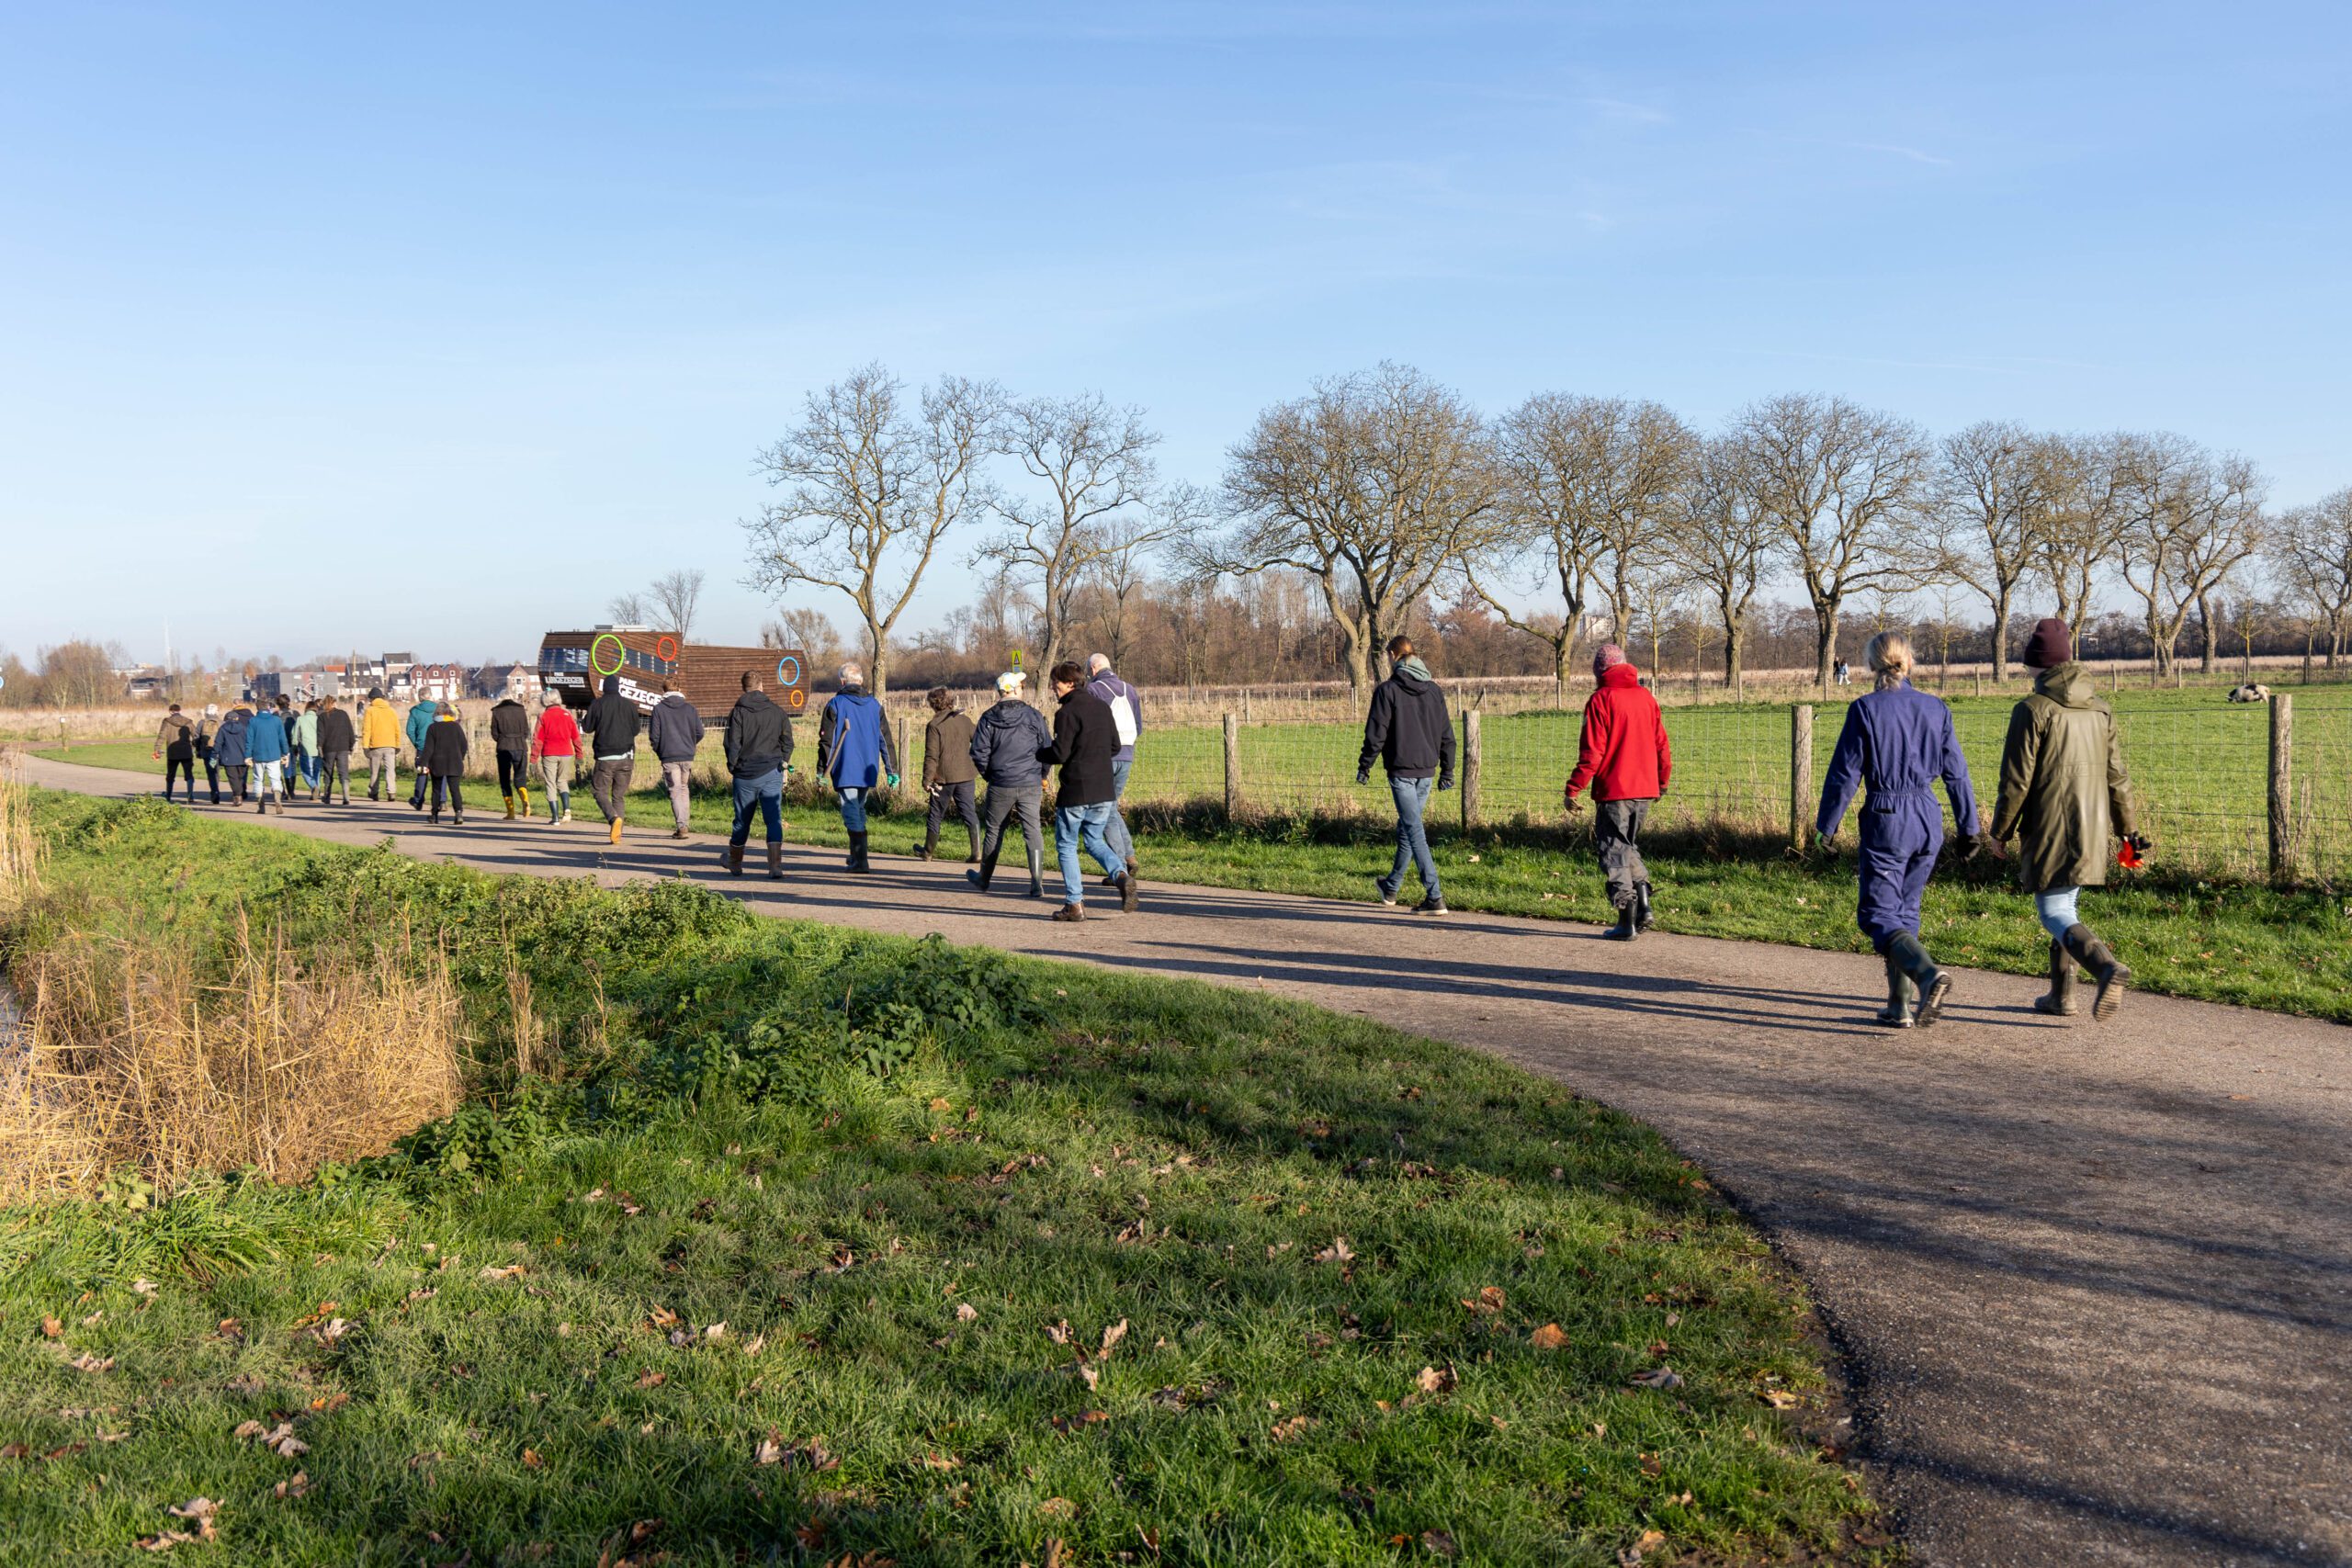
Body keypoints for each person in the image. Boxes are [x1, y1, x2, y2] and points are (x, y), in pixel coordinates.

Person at [1815, 633, 1980, 1028]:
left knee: (1876, 915)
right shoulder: (1936, 708)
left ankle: (1927, 976)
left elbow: (1845, 774)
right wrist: (1969, 828)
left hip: (1889, 816)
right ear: (1908, 662)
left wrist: (1827, 827)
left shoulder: (1865, 709)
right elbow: (1957, 773)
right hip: (1927, 816)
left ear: (1872, 665)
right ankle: (1898, 1005)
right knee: (1905, 913)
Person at [1988, 616, 2147, 1022]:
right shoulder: (2101, 710)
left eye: (2027, 664)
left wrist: (2000, 832)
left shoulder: (2032, 710)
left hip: (2050, 826)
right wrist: (2128, 832)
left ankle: (2106, 967)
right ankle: (2061, 997)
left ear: (2038, 665)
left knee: (2054, 912)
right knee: (2067, 909)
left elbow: (2016, 780)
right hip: (2092, 828)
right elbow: (2118, 777)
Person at [1562, 643, 1673, 940]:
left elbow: (1592, 752)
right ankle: (1645, 906)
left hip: (1615, 788)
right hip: (1645, 787)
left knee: (1613, 850)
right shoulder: (1646, 697)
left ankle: (1626, 920)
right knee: (1628, 847)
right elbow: (1662, 744)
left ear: (1599, 671)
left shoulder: (1601, 699)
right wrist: (1662, 780)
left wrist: (1574, 787)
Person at [1356, 635, 1454, 916]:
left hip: (1401, 772)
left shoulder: (1387, 691)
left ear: (1393, 655)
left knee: (1414, 831)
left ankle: (1434, 895)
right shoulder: (1434, 690)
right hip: (1426, 771)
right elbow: (1447, 735)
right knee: (1407, 830)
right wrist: (1447, 770)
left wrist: (1365, 765)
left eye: (1387, 657)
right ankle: (1391, 887)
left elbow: (1376, 733)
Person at [1041, 660, 1136, 921]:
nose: (1052, 687)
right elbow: (1115, 746)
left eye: (1055, 683)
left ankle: (1074, 904)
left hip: (1076, 790)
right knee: (1094, 840)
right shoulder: (1102, 708)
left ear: (1069, 683)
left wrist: (1039, 753)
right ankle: (1120, 875)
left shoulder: (1066, 713)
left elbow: (1060, 753)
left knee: (1066, 845)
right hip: (1103, 788)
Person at [967, 670, 1052, 897]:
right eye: (1021, 686)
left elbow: (978, 752)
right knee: (1032, 829)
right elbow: (1046, 747)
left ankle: (984, 879)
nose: (1023, 689)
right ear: (1014, 689)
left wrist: (990, 775)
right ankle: (1036, 883)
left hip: (1000, 782)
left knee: (994, 830)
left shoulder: (987, 718)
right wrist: (1042, 774)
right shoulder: (1034, 716)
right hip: (1030, 781)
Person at [816, 662, 898, 873]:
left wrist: (821, 771)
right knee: (858, 809)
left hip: (845, 768)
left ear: (843, 682)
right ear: (861, 681)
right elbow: (885, 740)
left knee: (851, 811)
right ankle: (856, 857)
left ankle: (861, 861)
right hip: (867, 769)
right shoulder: (875, 705)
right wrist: (892, 771)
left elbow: (827, 742)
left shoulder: (836, 704)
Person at [722, 670, 791, 880]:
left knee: (742, 820)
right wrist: (784, 761)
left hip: (745, 774)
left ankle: (735, 862)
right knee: (773, 819)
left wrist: (733, 766)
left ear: (744, 688)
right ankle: (775, 866)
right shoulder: (777, 711)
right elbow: (788, 741)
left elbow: (732, 744)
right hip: (772, 771)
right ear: (761, 686)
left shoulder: (738, 712)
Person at [1084, 653, 1143, 874]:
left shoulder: (1094, 690)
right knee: (1111, 805)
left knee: (1104, 808)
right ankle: (1129, 856)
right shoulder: (1131, 690)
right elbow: (1139, 727)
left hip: (1104, 756)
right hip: (1127, 754)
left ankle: (1118, 868)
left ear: (1093, 669)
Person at [918, 687, 981, 863]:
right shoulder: (964, 720)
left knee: (936, 814)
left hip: (943, 779)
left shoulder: (934, 726)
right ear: (950, 702)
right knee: (969, 813)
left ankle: (928, 852)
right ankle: (977, 853)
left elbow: (931, 755)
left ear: (933, 704)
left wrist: (927, 780)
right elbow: (979, 742)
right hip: (966, 775)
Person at [582, 674, 641, 844]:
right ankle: (618, 834)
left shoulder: (597, 704)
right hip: (627, 756)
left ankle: (613, 818)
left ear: (603, 688)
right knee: (618, 796)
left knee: (598, 791)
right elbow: (636, 730)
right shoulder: (629, 705)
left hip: (605, 757)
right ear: (618, 688)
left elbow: (586, 727)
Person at [647, 681, 706, 840]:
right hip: (687, 755)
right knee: (684, 788)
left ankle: (681, 826)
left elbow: (654, 736)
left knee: (675, 790)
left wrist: (660, 750)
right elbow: (700, 732)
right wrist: (690, 744)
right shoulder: (690, 708)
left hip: (669, 755)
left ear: (663, 690)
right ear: (679, 689)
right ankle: (684, 824)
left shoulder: (659, 709)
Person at [531, 692, 582, 825]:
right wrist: (579, 755)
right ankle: (567, 809)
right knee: (562, 781)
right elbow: (576, 737)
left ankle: (555, 817)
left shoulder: (543, 716)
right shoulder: (568, 715)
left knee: (550, 783)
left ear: (545, 701)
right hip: (566, 753)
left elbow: (538, 739)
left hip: (550, 753)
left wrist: (533, 759)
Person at [420, 700, 469, 824]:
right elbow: (464, 745)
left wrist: (424, 763)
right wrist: (460, 757)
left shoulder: (432, 728)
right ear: (449, 713)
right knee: (455, 789)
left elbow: (428, 748)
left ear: (437, 713)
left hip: (437, 763)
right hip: (455, 762)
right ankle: (458, 813)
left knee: (436, 789)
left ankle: (434, 815)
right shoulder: (456, 726)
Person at [488, 692, 534, 820]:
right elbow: (526, 730)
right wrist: (521, 739)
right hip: (520, 746)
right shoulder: (521, 709)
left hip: (504, 747)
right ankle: (525, 799)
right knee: (520, 778)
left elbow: (494, 732)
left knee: (505, 780)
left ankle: (511, 812)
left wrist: (501, 739)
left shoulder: (497, 711)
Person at [245, 695, 290, 814]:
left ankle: (261, 804)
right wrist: (286, 753)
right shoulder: (276, 720)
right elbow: (282, 739)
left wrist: (247, 755)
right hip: (274, 755)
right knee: (275, 778)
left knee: (258, 779)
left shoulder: (253, 721)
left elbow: (249, 740)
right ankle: (277, 797)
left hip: (258, 755)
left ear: (257, 707)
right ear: (268, 707)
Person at [360, 687, 402, 801]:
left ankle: (374, 792)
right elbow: (397, 729)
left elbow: (367, 730)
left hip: (376, 745)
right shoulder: (391, 711)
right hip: (390, 744)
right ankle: (391, 792)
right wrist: (397, 744)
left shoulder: (370, 711)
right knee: (390, 770)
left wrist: (365, 746)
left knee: (375, 771)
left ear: (372, 699)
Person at [153, 703, 197, 804]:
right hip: (186, 752)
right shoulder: (188, 722)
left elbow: (161, 736)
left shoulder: (167, 722)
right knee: (189, 774)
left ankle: (168, 795)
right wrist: (193, 748)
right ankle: (190, 795)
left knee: (171, 775)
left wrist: (157, 749)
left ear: (171, 711)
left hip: (173, 753)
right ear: (179, 710)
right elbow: (196, 737)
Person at [315, 694, 356, 806]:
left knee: (328, 773)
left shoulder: (322, 717)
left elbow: (320, 734)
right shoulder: (343, 714)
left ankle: (327, 796)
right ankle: (346, 796)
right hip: (343, 748)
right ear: (334, 703)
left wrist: (319, 747)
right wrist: (351, 745)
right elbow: (350, 731)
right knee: (343, 773)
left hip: (328, 748)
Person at [404, 693, 439, 809]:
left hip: (422, 747)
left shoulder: (415, 711)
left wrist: (417, 743)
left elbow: (410, 730)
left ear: (420, 697)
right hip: (437, 745)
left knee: (422, 773)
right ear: (431, 696)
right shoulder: (438, 709)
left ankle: (418, 800)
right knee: (439, 774)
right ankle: (442, 800)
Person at [212, 705, 252, 804]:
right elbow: (249, 742)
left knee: (233, 778)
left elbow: (218, 743)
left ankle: (237, 795)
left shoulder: (222, 729)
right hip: (243, 757)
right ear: (237, 718)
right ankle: (239, 794)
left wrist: (214, 754)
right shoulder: (244, 728)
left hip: (228, 758)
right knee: (241, 777)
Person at [292, 698, 322, 802]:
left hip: (306, 749)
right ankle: (316, 792)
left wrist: (294, 747)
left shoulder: (300, 719)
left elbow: (295, 735)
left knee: (305, 771)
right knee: (317, 771)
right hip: (319, 749)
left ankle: (313, 786)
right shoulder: (319, 719)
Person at [194, 704, 222, 803]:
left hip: (206, 752)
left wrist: (198, 750)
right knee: (216, 772)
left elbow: (196, 738)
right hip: (218, 752)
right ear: (216, 711)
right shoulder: (221, 722)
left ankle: (214, 791)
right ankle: (216, 790)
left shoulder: (202, 722)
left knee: (210, 772)